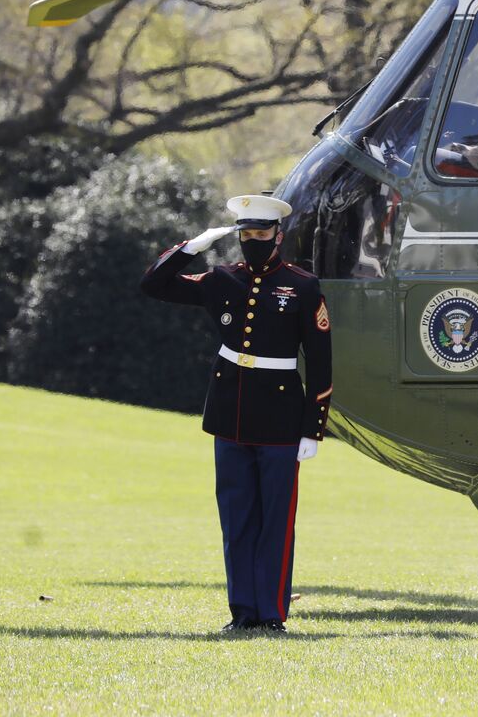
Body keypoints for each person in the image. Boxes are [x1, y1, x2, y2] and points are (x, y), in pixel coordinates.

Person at [140, 194, 332, 633]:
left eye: (261, 234)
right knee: (237, 517)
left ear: (278, 237)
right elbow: (153, 285)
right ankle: (242, 612)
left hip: (282, 416)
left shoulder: (303, 286)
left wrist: (313, 428)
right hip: (230, 413)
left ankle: (271, 615)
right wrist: (190, 248)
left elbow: (321, 361)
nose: (252, 242)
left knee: (276, 521)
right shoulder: (222, 279)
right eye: (245, 234)